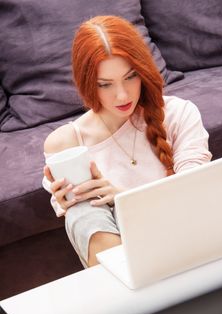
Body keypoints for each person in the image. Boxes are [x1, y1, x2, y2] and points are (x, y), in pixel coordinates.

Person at [43, 15, 212, 268]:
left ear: (143, 70)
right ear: (87, 82)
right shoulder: (67, 143)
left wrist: (122, 197)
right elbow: (82, 217)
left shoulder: (179, 113)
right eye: (105, 84)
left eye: (131, 77)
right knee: (82, 211)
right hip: (129, 259)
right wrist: (68, 200)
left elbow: (194, 196)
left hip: (188, 235)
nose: (122, 95)